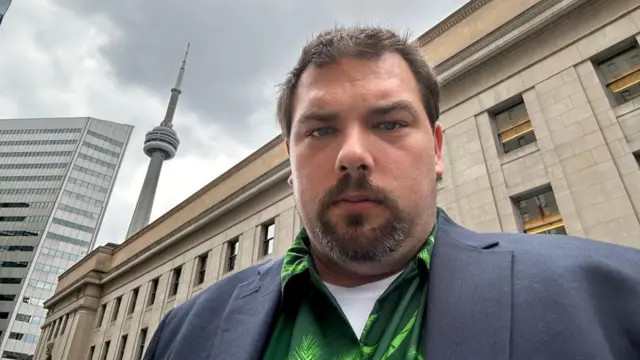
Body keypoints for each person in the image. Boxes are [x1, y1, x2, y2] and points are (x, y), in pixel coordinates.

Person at [143, 26, 640, 360]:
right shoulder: (183, 335)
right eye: (320, 130)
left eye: (389, 123)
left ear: (438, 150)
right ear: (290, 166)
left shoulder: (615, 296)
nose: (353, 154)